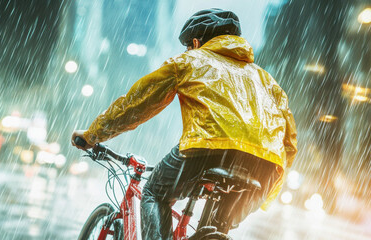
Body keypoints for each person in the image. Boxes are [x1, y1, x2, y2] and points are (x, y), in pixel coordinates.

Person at [72, 8, 297, 240]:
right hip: (265, 167)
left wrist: (93, 134)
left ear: (197, 42)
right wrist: (269, 187)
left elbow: (137, 104)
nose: (188, 50)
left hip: (208, 150)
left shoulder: (192, 60)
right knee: (218, 227)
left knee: (154, 192)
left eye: (188, 45)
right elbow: (289, 144)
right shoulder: (268, 82)